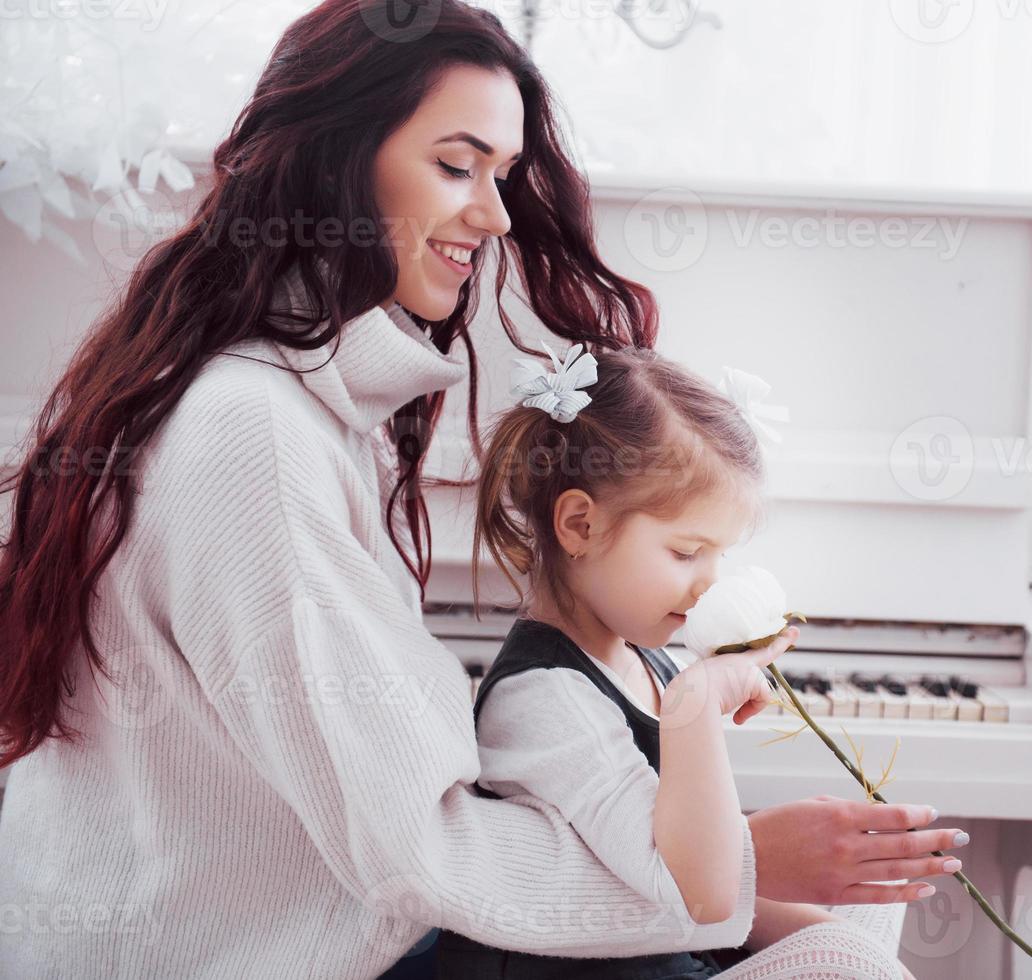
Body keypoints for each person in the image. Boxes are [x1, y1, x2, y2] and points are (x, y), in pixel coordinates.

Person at [0, 2, 968, 977]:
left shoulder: (309, 406)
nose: (497, 215)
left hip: (371, 924)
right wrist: (737, 867)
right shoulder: (255, 433)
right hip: (272, 952)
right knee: (840, 961)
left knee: (849, 924)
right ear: (332, 162)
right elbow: (410, 852)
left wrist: (734, 873)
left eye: (501, 176)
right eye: (457, 166)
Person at [428, 344, 938, 978]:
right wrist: (695, 706)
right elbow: (704, 892)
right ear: (580, 525)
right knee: (845, 956)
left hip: (675, 955)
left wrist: (845, 940)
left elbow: (726, 890)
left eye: (719, 556)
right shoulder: (544, 698)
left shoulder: (644, 657)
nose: (708, 586)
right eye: (686, 552)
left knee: (871, 896)